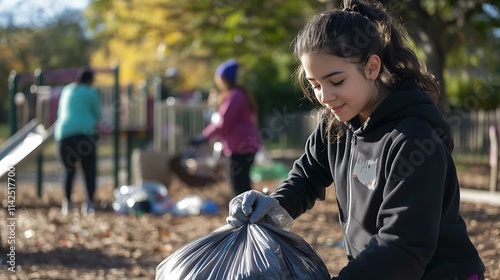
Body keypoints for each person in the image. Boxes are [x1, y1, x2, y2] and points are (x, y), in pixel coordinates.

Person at [226, 1, 485, 279]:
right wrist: (273, 208)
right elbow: (306, 178)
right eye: (315, 85)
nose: (325, 97)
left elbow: (404, 246)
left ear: (372, 67)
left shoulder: (414, 139)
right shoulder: (336, 124)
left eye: (336, 81)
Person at [190, 59, 262, 197]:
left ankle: (244, 214)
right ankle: (247, 213)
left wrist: (204, 136)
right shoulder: (239, 94)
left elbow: (223, 122)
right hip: (245, 145)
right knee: (242, 182)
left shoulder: (234, 96)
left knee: (238, 185)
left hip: (241, 146)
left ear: (223, 79)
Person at [54, 68, 101, 215]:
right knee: (89, 171)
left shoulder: (67, 90)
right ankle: (89, 204)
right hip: (84, 135)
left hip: (63, 134)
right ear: (90, 80)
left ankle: (67, 204)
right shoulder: (90, 92)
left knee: (68, 171)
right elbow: (97, 115)